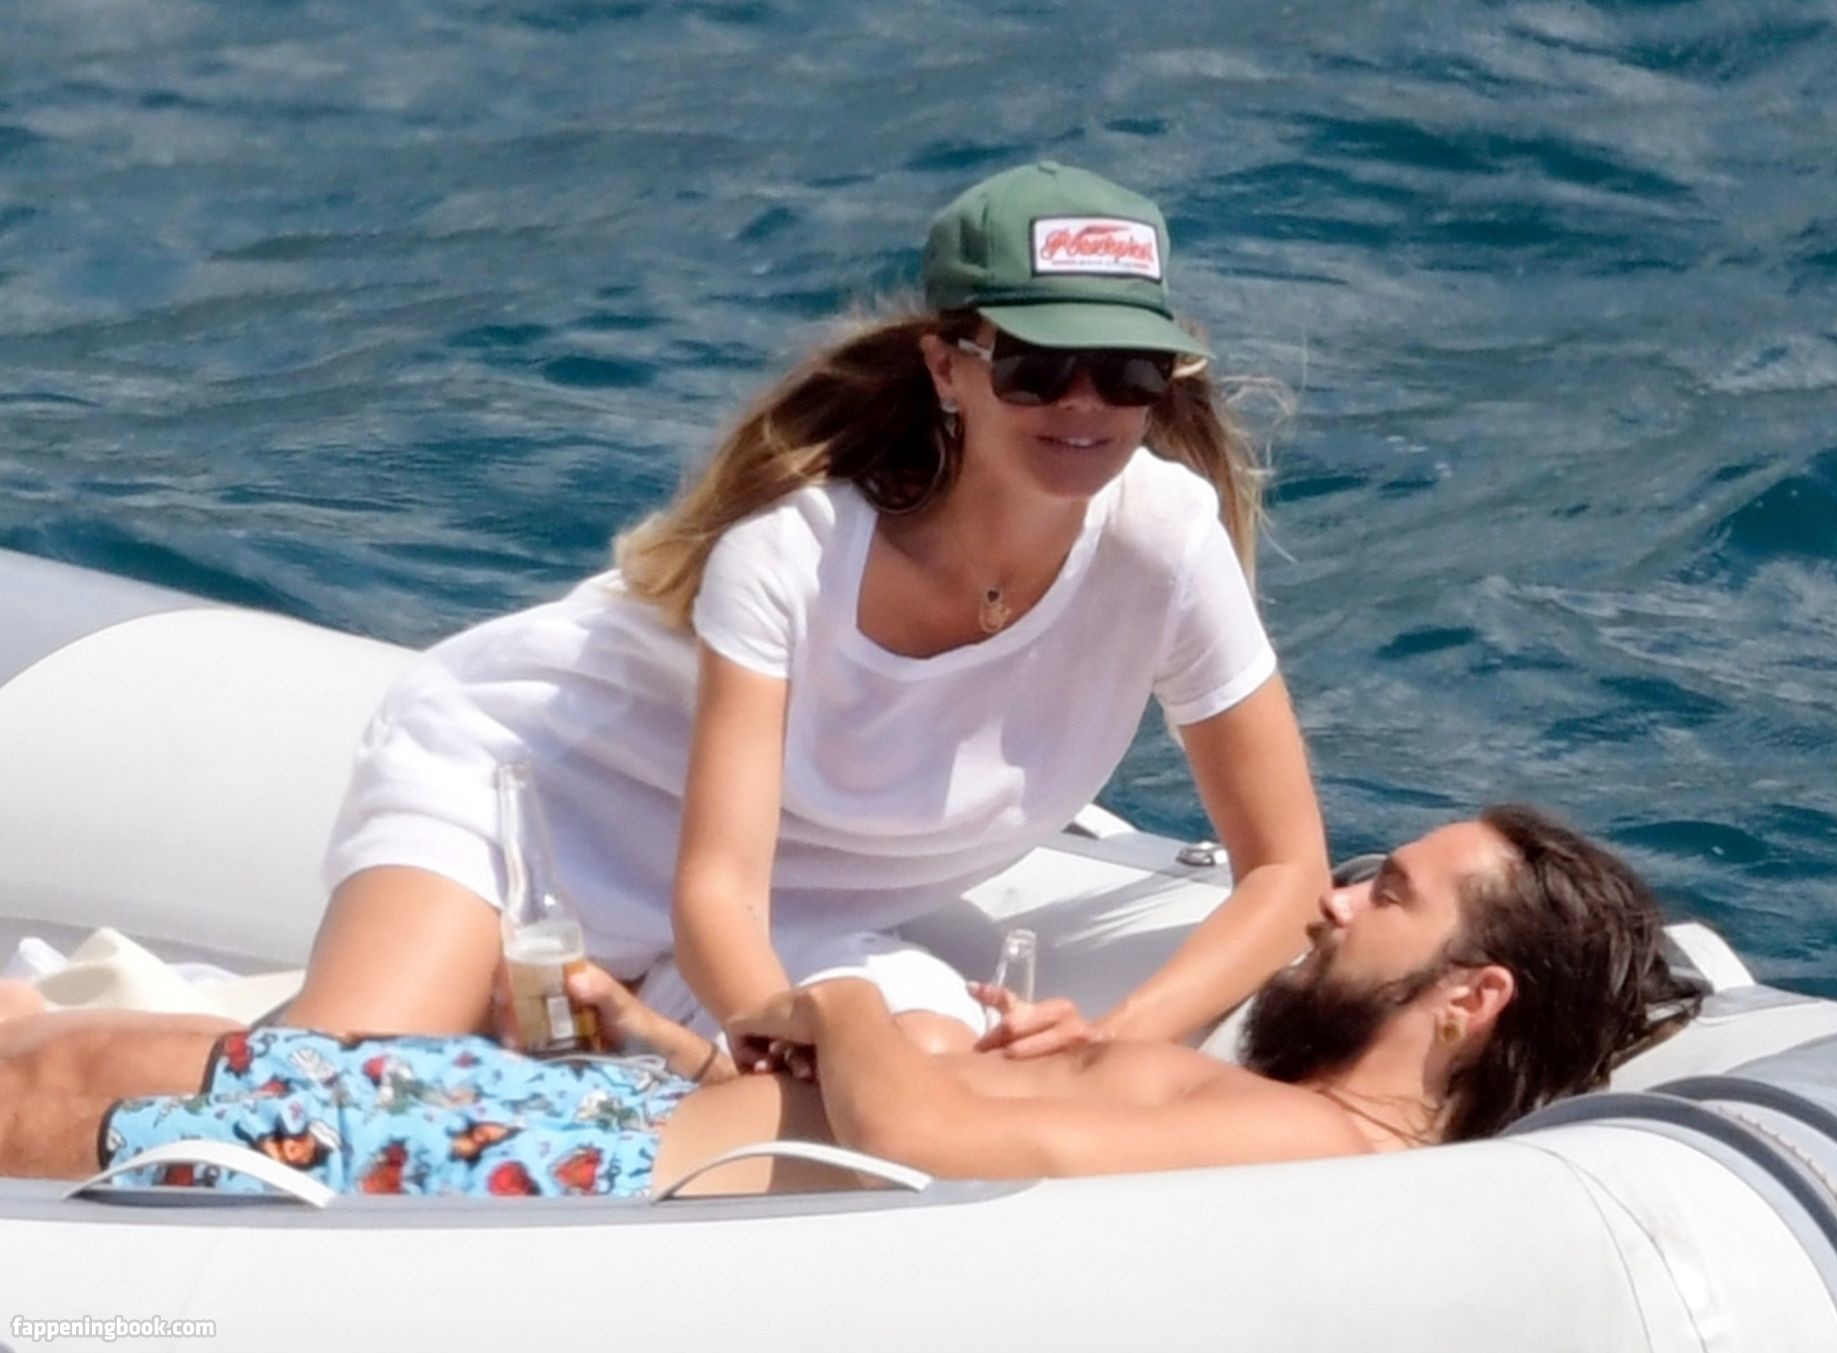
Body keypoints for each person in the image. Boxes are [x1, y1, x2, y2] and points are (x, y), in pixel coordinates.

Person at [282, 160, 1328, 1054]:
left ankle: (615, 1027)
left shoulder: (1166, 541)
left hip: (801, 908)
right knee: (341, 1096)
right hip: (537, 803)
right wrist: (768, 1035)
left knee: (926, 1069)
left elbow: (1286, 867)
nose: (1086, 404)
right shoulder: (790, 553)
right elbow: (717, 892)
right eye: (1037, 368)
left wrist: (1116, 1038)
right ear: (947, 368)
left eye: (1130, 370)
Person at [0, 807, 1700, 1196]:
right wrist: (677, 1043)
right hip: (624, 1122)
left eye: (1387, 892)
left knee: (70, 1076)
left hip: (588, 1171)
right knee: (71, 1053)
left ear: (1469, 997)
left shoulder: (1318, 1148)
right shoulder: (1275, 1118)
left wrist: (843, 1005)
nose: (1332, 899)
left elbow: (929, 1141)